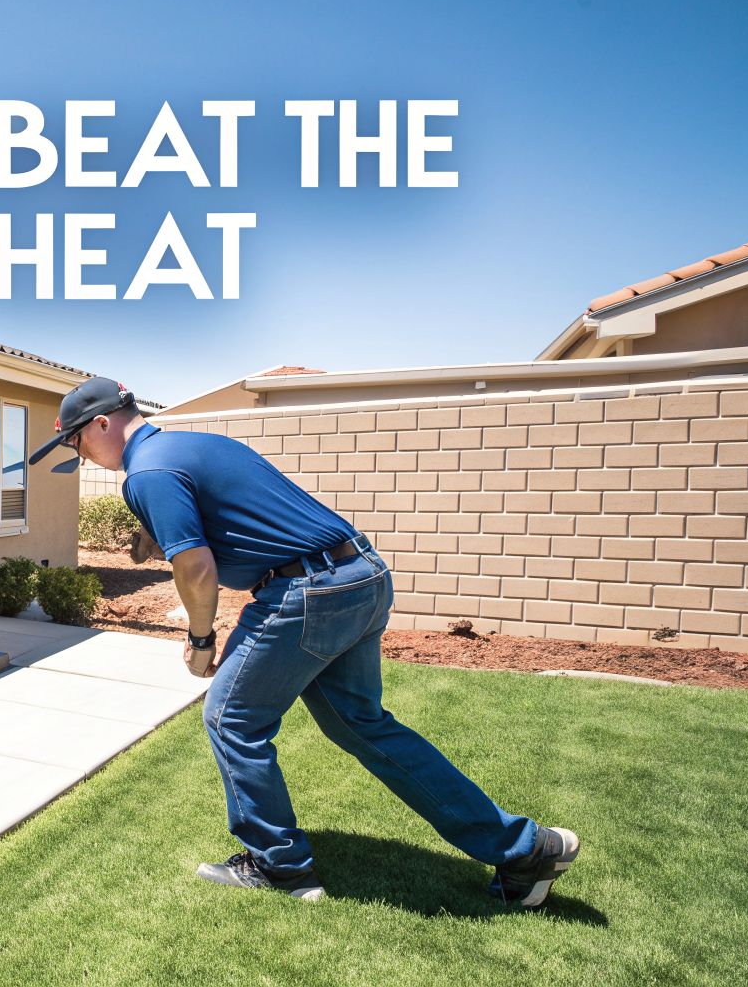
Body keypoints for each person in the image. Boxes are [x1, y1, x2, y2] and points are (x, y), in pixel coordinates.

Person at [29, 376, 579, 906]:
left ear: (101, 423)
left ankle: (278, 865)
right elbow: (237, 513)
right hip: (360, 574)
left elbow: (196, 568)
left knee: (232, 720)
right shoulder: (197, 446)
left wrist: (200, 637)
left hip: (306, 591)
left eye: (77, 442)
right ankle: (525, 849)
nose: (82, 456)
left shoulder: (146, 471)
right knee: (363, 725)